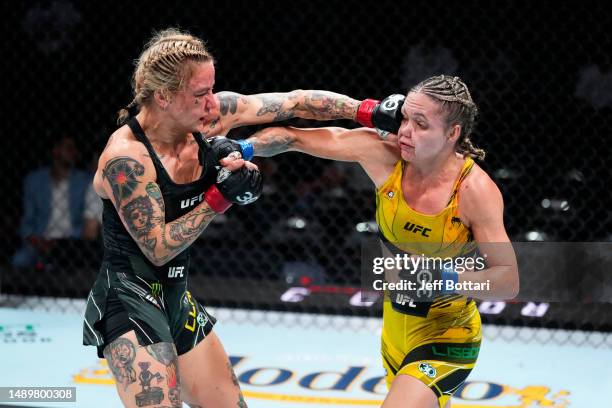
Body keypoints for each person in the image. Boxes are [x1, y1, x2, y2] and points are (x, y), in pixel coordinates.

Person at [82, 28, 363, 408]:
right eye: (200, 94)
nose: (211, 103)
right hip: (129, 299)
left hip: (176, 298)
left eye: (212, 89)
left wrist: (368, 110)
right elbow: (159, 249)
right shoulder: (127, 159)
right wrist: (220, 196)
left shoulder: (207, 119)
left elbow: (295, 103)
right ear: (163, 96)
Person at [244, 75, 519, 408]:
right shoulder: (386, 155)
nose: (405, 131)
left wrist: (440, 276)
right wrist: (243, 148)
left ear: (452, 134)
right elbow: (292, 137)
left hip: (448, 336)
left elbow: (507, 280)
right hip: (394, 333)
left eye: (421, 124)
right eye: (404, 118)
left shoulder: (474, 191)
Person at [12, 136, 95, 269]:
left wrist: (62, 243)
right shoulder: (34, 181)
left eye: (74, 149)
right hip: (40, 240)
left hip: (71, 243)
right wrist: (35, 240)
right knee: (19, 260)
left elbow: (89, 222)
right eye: (68, 148)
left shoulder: (85, 181)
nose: (73, 152)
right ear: (55, 150)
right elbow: (27, 220)